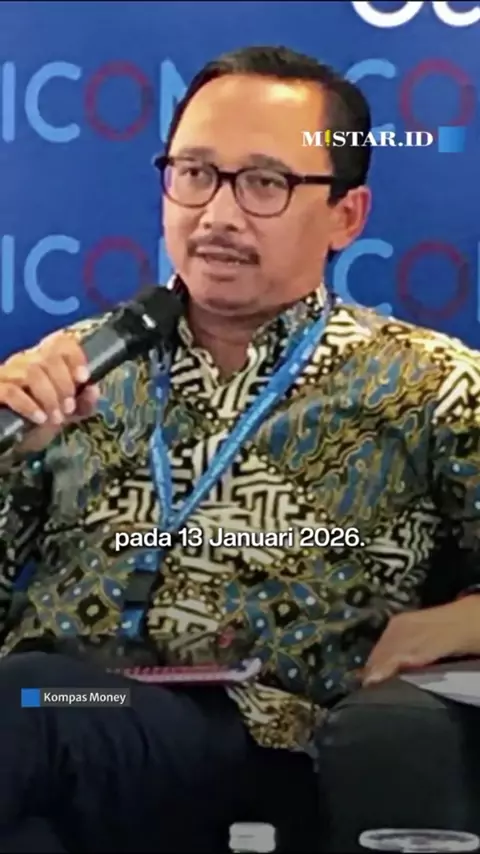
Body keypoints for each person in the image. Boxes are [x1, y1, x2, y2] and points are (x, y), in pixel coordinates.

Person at [0, 44, 478, 853]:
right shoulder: (77, 367)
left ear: (346, 215)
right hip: (57, 721)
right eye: (195, 173)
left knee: (28, 703)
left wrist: (461, 620)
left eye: (264, 183)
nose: (218, 215)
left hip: (253, 739)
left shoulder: (428, 384)